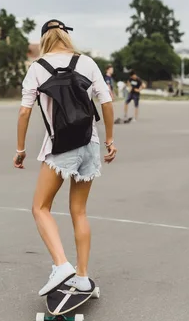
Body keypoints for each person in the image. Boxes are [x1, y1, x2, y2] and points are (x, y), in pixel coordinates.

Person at [13, 20, 117, 296]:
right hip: (89, 142)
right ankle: (82, 276)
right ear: (66, 37)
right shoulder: (87, 62)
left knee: (40, 208)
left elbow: (24, 112)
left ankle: (61, 266)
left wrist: (20, 149)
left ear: (45, 39)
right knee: (79, 211)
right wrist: (109, 140)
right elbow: (106, 101)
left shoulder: (36, 68)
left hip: (60, 147)